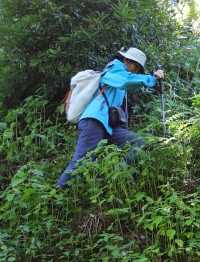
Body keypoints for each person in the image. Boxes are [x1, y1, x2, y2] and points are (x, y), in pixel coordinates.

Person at [56, 47, 164, 188]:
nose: (135, 71)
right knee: (80, 162)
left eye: (137, 69)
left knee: (138, 142)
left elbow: (130, 81)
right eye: (136, 67)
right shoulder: (114, 68)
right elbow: (126, 80)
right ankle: (56, 196)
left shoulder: (121, 76)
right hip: (94, 122)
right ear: (126, 61)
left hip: (108, 126)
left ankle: (123, 178)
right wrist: (153, 78)